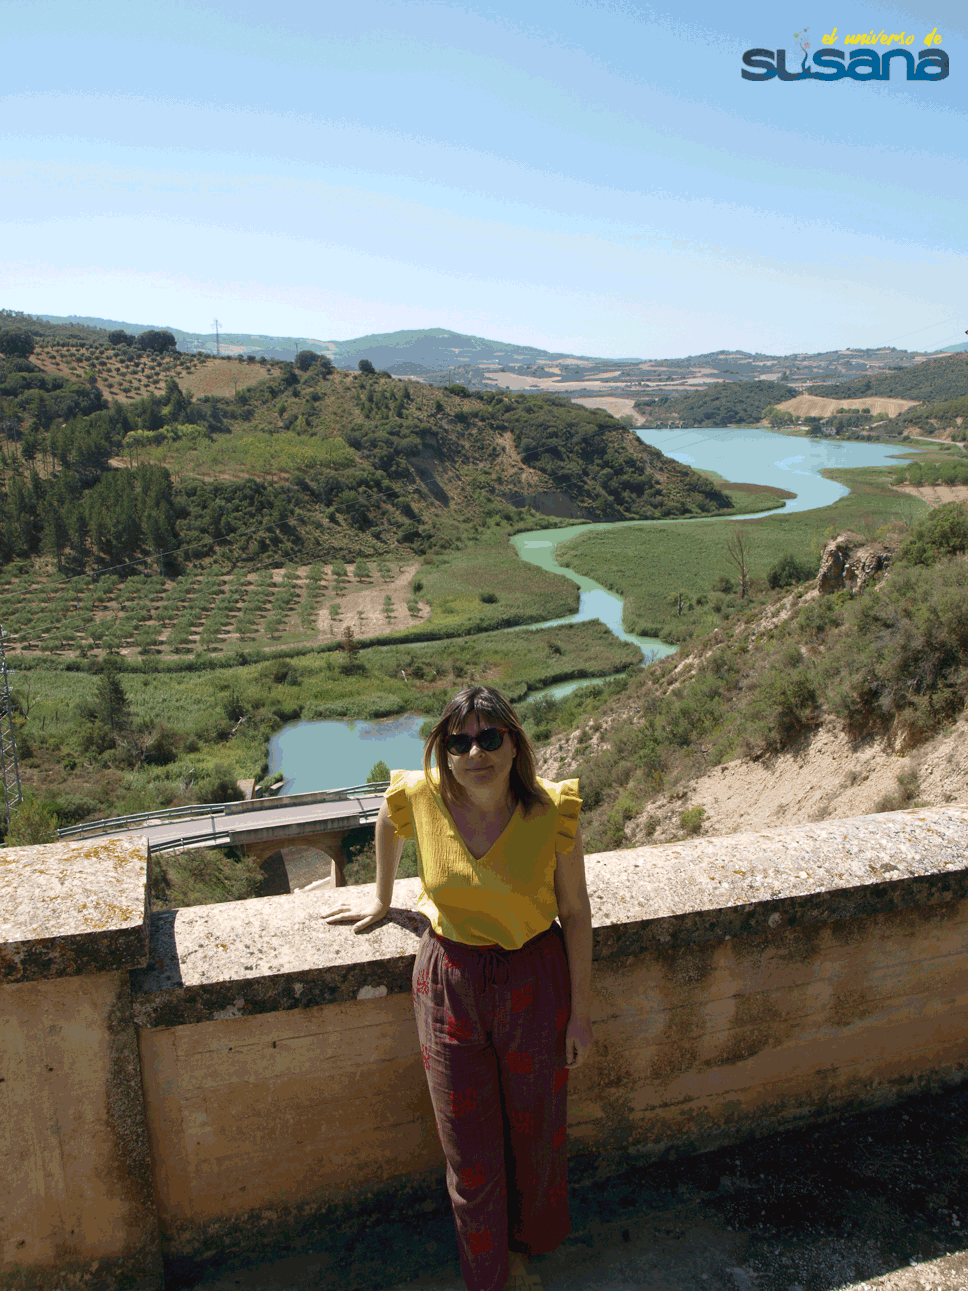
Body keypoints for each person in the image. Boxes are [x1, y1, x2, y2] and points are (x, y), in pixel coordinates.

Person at [324, 685, 593, 1291]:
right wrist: (382, 900)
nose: (477, 751)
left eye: (490, 736)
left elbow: (575, 912)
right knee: (469, 1156)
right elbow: (385, 824)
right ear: (443, 751)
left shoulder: (551, 809)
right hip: (450, 981)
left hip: (535, 978)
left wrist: (582, 1015)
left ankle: (532, 1245)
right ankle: (489, 1279)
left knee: (537, 1133)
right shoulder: (421, 798)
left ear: (514, 742)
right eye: (459, 740)